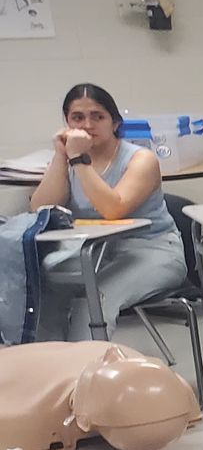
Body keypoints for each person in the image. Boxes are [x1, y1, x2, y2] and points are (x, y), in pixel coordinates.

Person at [29, 84, 187, 342]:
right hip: (93, 253)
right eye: (78, 118)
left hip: (151, 251)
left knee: (94, 297)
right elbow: (41, 207)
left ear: (114, 123)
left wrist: (79, 159)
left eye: (97, 116)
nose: (88, 124)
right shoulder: (69, 160)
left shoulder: (140, 160)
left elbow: (113, 210)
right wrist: (61, 156)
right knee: (41, 289)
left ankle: (84, 373)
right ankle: (52, 369)